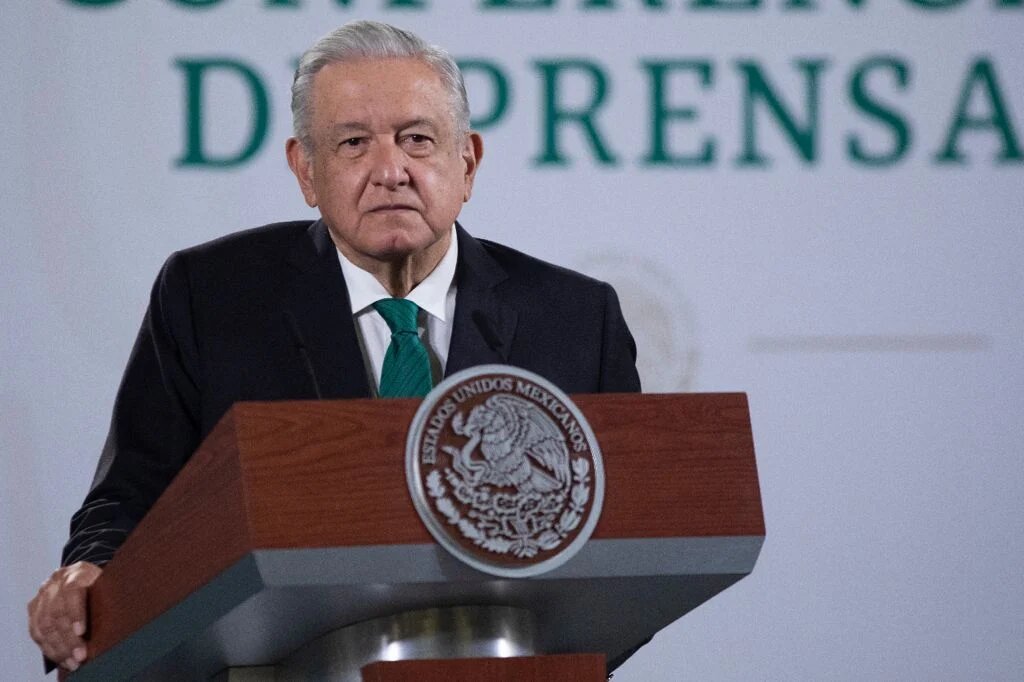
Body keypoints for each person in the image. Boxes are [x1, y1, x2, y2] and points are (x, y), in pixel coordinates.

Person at [27, 20, 640, 673]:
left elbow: (636, 542)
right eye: (353, 143)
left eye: (418, 139)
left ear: (467, 163)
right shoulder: (210, 297)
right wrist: (91, 575)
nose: (390, 171)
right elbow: (133, 497)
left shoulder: (577, 318)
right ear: (306, 172)